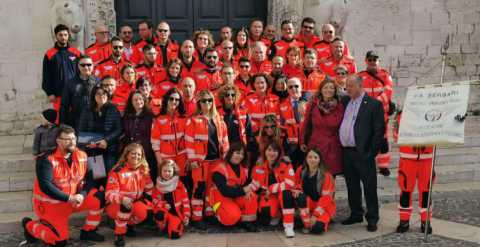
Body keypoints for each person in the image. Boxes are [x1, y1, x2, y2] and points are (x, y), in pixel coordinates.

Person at [22, 125, 105, 246]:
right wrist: (70, 198)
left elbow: (91, 178)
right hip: (51, 205)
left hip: (74, 200)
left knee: (100, 197)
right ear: (58, 141)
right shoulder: (45, 159)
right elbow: (46, 186)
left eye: (74, 138)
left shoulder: (82, 155)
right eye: (67, 139)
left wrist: (82, 195)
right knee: (59, 242)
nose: (72, 142)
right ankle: (29, 226)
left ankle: (88, 231)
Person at [339, 76, 385, 232]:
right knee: (352, 186)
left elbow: (379, 131)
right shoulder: (345, 102)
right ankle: (356, 213)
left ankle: (372, 218)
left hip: (363, 152)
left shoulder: (373, 104)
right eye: (346, 86)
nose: (348, 88)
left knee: (369, 187)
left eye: (351, 86)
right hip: (347, 152)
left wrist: (371, 152)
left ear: (360, 85)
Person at [185, 90, 229, 229]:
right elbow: (189, 142)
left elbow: (225, 140)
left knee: (212, 189)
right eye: (204, 101)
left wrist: (225, 157)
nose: (207, 103)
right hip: (200, 162)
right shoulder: (193, 120)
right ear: (199, 103)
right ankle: (197, 218)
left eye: (209, 100)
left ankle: (210, 215)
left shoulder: (218, 119)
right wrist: (192, 160)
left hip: (216, 161)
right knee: (199, 189)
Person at [105, 143, 154, 247]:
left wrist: (152, 204)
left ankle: (128, 225)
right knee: (125, 207)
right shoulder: (117, 170)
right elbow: (109, 194)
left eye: (139, 155)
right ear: (126, 154)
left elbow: (150, 190)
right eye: (133, 153)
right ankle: (119, 234)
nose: (136, 156)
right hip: (116, 205)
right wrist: (122, 199)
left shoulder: (143, 170)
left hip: (134, 203)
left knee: (147, 212)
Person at [394, 111, 434, 234]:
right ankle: (404, 221)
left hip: (427, 159)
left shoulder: (434, 113)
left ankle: (425, 221)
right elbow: (396, 135)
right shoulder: (402, 114)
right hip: (407, 160)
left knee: (426, 192)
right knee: (406, 191)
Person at [358, 51, 394, 176]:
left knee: (383, 141)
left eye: (375, 59)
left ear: (378, 61)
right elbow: (357, 92)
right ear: (366, 61)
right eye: (370, 59)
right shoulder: (360, 76)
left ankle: (383, 166)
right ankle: (367, 165)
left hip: (381, 114)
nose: (372, 62)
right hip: (365, 114)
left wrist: (375, 103)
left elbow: (388, 91)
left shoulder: (385, 75)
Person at [250, 142, 297, 238]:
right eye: (269, 150)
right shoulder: (259, 166)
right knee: (265, 219)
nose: (271, 153)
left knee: (286, 194)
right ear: (265, 152)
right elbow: (255, 185)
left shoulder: (286, 164)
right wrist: (243, 191)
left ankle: (288, 227)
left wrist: (272, 188)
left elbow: (290, 183)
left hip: (283, 195)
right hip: (269, 197)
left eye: (275, 150)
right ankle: (278, 214)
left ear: (279, 153)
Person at [300, 78, 344, 176]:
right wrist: (302, 141)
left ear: (335, 90)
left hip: (332, 146)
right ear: (321, 90)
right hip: (315, 145)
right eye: (325, 87)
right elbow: (306, 123)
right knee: (315, 174)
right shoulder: (313, 105)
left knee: (330, 177)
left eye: (331, 88)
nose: (328, 90)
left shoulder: (340, 106)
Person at [209, 143, 258, 231]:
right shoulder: (219, 169)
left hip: (234, 198)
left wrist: (248, 191)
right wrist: (244, 190)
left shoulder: (241, 168)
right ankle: (218, 217)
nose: (240, 156)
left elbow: (245, 185)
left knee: (252, 196)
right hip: (221, 201)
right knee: (232, 216)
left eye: (242, 154)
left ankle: (246, 222)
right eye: (237, 153)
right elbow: (225, 191)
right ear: (230, 152)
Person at [78, 85, 122, 178]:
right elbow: (81, 129)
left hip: (109, 148)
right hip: (93, 149)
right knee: (97, 177)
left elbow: (119, 129)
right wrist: (87, 143)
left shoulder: (113, 109)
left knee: (110, 176)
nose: (101, 96)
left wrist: (106, 140)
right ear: (93, 95)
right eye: (98, 94)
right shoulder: (87, 110)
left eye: (104, 93)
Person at [42, 24, 81, 120]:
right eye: (60, 35)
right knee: (60, 120)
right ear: (56, 36)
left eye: (65, 35)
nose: (63, 37)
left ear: (68, 36)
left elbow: (82, 72)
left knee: (76, 118)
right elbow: (46, 75)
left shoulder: (76, 53)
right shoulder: (49, 54)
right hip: (58, 94)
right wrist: (49, 93)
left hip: (75, 93)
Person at [294, 148, 336, 234]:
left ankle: (310, 221)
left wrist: (316, 214)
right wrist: (297, 190)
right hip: (307, 204)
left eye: (315, 157)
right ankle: (306, 222)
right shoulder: (300, 170)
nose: (312, 159)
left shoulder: (326, 176)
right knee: (300, 197)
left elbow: (326, 198)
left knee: (318, 228)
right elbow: (295, 184)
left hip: (322, 206)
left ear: (320, 160)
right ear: (306, 159)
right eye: (310, 157)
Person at [151, 88, 188, 184]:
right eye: (171, 99)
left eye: (177, 99)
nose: (174, 101)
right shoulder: (158, 119)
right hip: (166, 159)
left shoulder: (184, 118)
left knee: (182, 185)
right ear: (166, 99)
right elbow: (155, 143)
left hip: (182, 158)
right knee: (167, 186)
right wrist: (160, 161)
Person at [122, 90, 156, 180]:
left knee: (147, 175)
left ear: (144, 100)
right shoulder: (127, 116)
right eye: (135, 100)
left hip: (147, 152)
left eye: (140, 99)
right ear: (131, 102)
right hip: (131, 152)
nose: (138, 102)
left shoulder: (150, 116)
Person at [152, 159, 191, 239]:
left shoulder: (180, 186)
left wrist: (186, 215)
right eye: (164, 171)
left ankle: (172, 226)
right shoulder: (158, 185)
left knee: (174, 235)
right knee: (159, 214)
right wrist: (163, 204)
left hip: (175, 214)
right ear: (160, 171)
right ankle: (161, 227)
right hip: (164, 212)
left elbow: (186, 202)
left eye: (169, 171)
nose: (167, 173)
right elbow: (154, 200)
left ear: (174, 172)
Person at [59, 55, 97, 130]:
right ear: (78, 66)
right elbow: (64, 106)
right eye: (82, 65)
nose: (86, 67)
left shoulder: (99, 82)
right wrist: (62, 124)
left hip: (96, 122)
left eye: (89, 65)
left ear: (93, 65)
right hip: (77, 122)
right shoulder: (70, 83)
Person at [279, 77, 307, 167]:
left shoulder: (309, 103)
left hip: (306, 143)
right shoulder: (281, 105)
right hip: (290, 145)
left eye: (296, 86)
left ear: (301, 88)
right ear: (287, 89)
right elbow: (280, 126)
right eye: (290, 87)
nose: (294, 89)